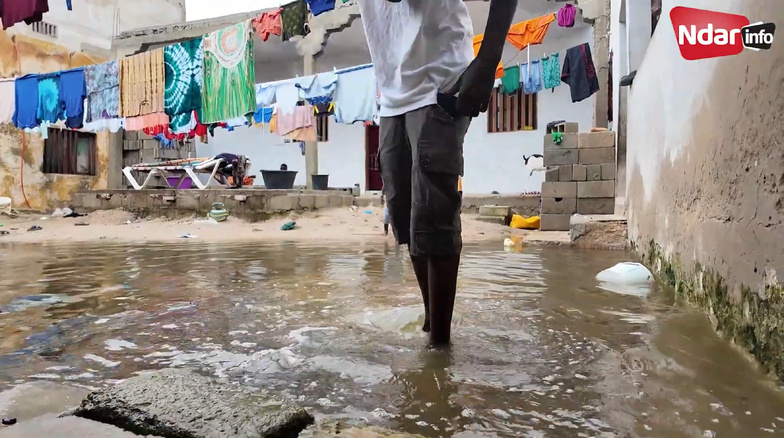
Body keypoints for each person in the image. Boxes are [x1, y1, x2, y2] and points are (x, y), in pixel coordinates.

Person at [357, 0, 517, 346]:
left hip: (441, 81)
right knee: (403, 214)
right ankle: (433, 325)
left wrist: (488, 61)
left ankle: (440, 351)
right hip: (392, 92)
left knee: (432, 213)